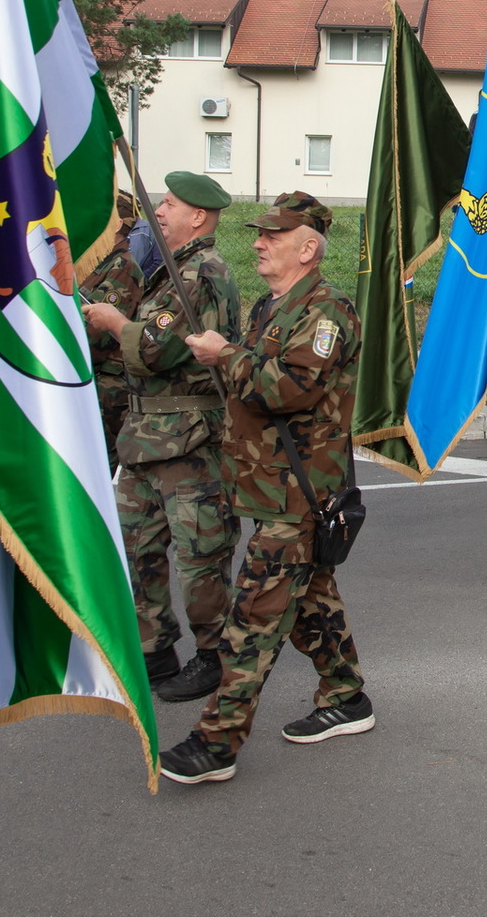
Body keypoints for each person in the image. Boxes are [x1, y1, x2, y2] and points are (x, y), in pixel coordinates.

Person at [159, 191, 370, 786]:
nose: (257, 242)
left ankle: (216, 743)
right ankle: (348, 697)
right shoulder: (272, 306)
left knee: (252, 616)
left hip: (298, 498)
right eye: (260, 234)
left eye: (272, 237)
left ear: (307, 249)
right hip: (267, 486)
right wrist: (225, 356)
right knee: (309, 600)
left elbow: (289, 390)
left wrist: (224, 354)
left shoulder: (327, 312)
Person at [81, 171, 241, 703]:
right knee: (135, 546)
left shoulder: (200, 273)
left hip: (188, 442)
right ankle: (153, 650)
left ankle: (215, 655)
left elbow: (156, 350)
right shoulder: (171, 272)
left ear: (198, 216)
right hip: (147, 438)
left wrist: (110, 321)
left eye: (169, 204)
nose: (160, 211)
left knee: (200, 559)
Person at [80, 191, 144, 462]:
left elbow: (96, 335)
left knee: (91, 468)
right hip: (88, 384)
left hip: (105, 392)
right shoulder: (95, 264)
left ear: (117, 224)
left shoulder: (123, 268)